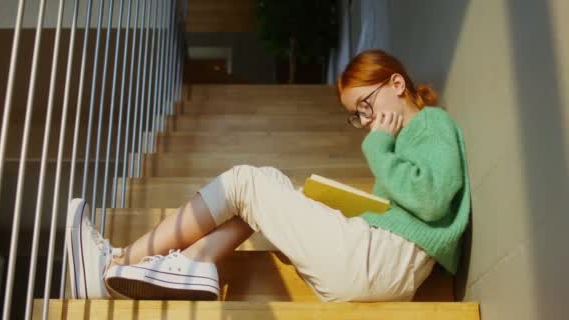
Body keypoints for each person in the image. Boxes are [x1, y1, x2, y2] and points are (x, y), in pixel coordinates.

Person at [65, 49, 471, 302]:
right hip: (374, 268)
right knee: (263, 195)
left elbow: (431, 200)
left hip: (378, 264)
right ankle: (193, 261)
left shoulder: (429, 125)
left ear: (397, 84)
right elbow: (413, 203)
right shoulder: (406, 142)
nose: (365, 121)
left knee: (246, 181)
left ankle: (117, 261)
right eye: (357, 114)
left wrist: (378, 147)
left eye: (366, 105)